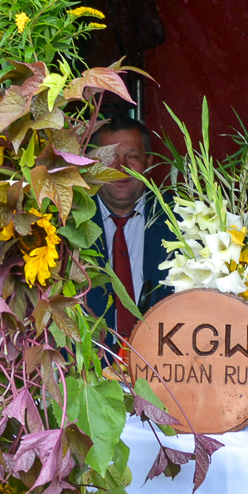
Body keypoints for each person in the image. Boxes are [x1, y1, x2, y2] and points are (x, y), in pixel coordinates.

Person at [85, 116, 171, 338]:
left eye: (132, 157)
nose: (120, 167)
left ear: (149, 162)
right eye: (109, 158)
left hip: (161, 354)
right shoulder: (67, 222)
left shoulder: (179, 220)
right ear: (91, 165)